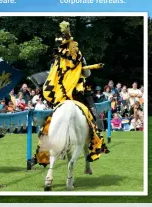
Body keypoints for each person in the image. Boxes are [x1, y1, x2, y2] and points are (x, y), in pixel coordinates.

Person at [33, 20, 109, 166]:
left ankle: (45, 138)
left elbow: (56, 77)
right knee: (91, 115)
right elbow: (87, 74)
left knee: (52, 115)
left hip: (63, 95)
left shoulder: (58, 60)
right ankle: (95, 134)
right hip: (74, 95)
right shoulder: (75, 57)